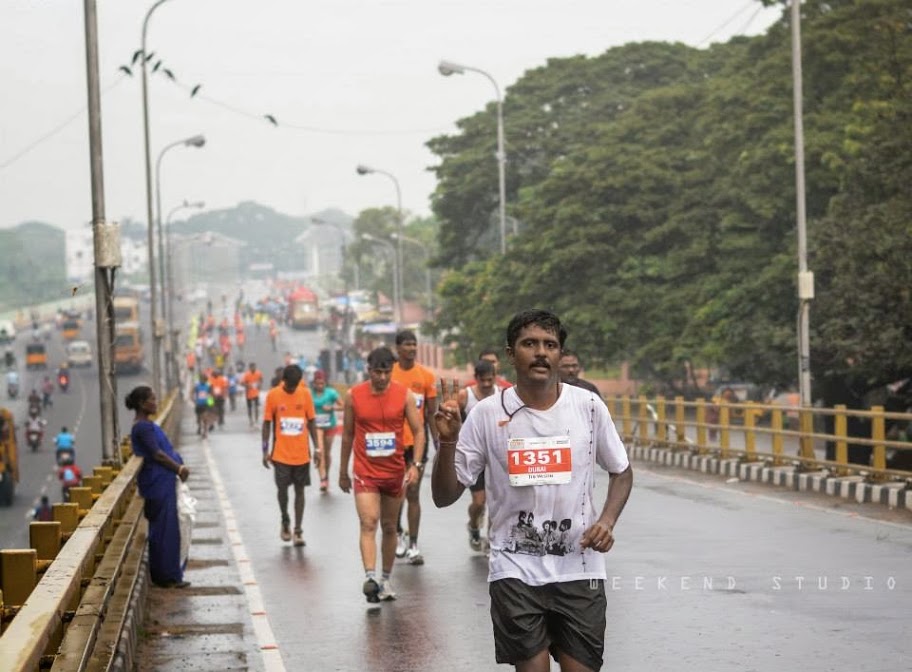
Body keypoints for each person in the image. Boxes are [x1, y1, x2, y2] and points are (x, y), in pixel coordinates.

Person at [432, 309, 633, 672]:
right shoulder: (486, 415)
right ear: (511, 353)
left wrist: (607, 521)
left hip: (579, 567)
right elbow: (444, 496)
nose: (541, 352)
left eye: (550, 345)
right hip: (514, 569)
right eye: (530, 344)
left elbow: (621, 471)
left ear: (559, 354)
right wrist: (447, 443)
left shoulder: (587, 407)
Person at [338, 347, 425, 603]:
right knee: (368, 522)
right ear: (369, 370)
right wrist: (343, 471)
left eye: (387, 372)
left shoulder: (404, 395)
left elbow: (418, 432)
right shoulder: (354, 396)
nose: (383, 378)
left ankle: (385, 579)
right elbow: (346, 435)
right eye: (378, 372)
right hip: (365, 471)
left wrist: (415, 465)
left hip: (395, 472)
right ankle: (370, 577)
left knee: (389, 526)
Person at [126, 385, 191, 589]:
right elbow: (157, 454)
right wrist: (178, 468)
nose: (156, 402)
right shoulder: (143, 427)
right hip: (157, 484)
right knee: (163, 530)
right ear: (141, 404)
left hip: (162, 482)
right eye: (152, 399)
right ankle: (165, 576)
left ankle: (170, 574)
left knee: (168, 528)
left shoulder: (145, 424)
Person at [390, 330, 438, 565]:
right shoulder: (390, 374)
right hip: (394, 443)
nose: (411, 348)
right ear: (397, 348)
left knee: (413, 491)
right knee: (396, 492)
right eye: (407, 345)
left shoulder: (426, 376)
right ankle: (398, 533)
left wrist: (439, 442)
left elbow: (431, 413)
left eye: (414, 344)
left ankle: (414, 545)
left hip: (418, 443)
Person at [261, 364, 319, 547]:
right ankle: (285, 519)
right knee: (282, 490)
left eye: (296, 385)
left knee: (300, 491)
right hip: (280, 455)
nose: (293, 389)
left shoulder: (305, 394)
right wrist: (265, 450)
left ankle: (298, 530)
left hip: (302, 455)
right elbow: (267, 424)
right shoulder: (273, 395)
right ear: (283, 381)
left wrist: (317, 449)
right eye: (290, 386)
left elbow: (311, 422)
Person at [456, 359, 499, 552]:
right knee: (479, 502)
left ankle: (491, 541)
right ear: (476, 379)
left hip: (496, 456)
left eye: (490, 380)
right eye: (484, 381)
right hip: (474, 457)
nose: (487, 385)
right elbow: (452, 424)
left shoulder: (502, 395)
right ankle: (473, 526)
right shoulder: (465, 396)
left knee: (496, 502)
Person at [311, 369, 342, 493]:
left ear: (325, 383)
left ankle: (326, 475)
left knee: (327, 453)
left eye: (322, 383)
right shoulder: (309, 394)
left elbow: (342, 405)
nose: (319, 386)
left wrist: (332, 407)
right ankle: (322, 478)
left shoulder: (331, 393)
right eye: (317, 383)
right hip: (316, 426)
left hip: (330, 425)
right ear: (313, 383)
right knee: (320, 451)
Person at [241, 362, 264, 428]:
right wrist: (247, 385)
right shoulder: (247, 374)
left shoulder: (258, 373)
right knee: (250, 408)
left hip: (256, 393)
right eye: (252, 367)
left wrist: (259, 384)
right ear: (250, 368)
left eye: (254, 367)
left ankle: (256, 420)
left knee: (256, 407)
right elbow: (242, 383)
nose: (253, 368)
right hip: (249, 393)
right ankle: (250, 419)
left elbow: (261, 379)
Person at [193, 373, 214, 438]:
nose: (202, 380)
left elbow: (211, 395)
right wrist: (193, 400)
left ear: (205, 380)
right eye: (201, 379)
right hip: (198, 404)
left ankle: (205, 433)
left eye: (204, 379)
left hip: (205, 404)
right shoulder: (197, 386)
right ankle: (199, 427)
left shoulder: (208, 386)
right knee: (198, 419)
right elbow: (192, 392)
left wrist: (211, 403)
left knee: (205, 419)